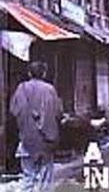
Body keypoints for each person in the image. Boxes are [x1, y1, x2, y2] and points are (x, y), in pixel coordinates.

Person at [10, 61, 62, 192]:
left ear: (29, 73)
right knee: (46, 180)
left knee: (28, 178)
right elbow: (58, 113)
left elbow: (14, 110)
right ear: (44, 74)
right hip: (46, 141)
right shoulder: (50, 89)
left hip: (26, 140)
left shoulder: (21, 89)